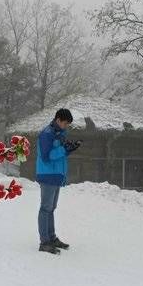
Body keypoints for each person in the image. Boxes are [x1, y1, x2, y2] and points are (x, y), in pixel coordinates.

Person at [35, 108, 81, 254]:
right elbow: (46, 157)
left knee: (51, 208)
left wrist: (69, 148)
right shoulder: (47, 134)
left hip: (55, 175)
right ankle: (44, 242)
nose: (66, 126)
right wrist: (64, 150)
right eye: (66, 123)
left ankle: (51, 237)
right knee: (45, 208)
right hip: (47, 175)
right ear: (58, 120)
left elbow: (60, 152)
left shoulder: (59, 133)